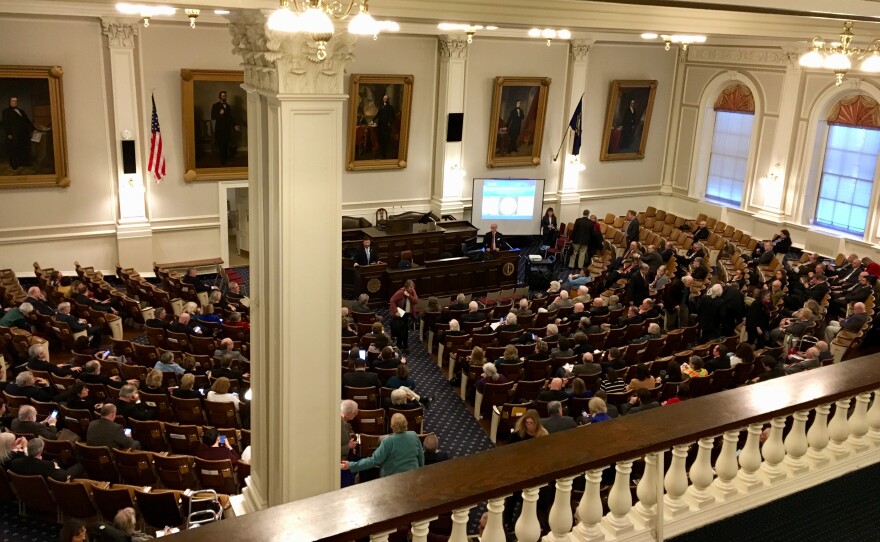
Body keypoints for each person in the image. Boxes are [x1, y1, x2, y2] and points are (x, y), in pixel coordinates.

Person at [342, 413, 424, 477]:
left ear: (392, 426)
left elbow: (374, 461)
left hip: (392, 479)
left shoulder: (387, 441)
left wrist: (351, 465)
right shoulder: (414, 435)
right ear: (406, 423)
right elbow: (421, 457)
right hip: (413, 475)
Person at [9, 437, 84, 481]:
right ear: (41, 451)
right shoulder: (47, 465)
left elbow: (31, 463)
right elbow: (64, 477)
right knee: (80, 466)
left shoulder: (15, 462)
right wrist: (56, 467)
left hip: (26, 491)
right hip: (45, 491)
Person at [2, 96, 36, 170]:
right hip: (13, 133)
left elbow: (27, 121)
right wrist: (8, 133)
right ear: (10, 102)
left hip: (23, 133)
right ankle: (14, 164)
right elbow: (5, 123)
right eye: (13, 101)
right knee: (14, 149)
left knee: (23, 148)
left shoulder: (21, 111)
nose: (14, 102)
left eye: (16, 101)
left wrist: (34, 128)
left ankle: (24, 163)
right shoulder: (6, 111)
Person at [211, 90, 240, 165]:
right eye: (223, 96)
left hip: (227, 129)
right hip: (219, 129)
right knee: (221, 144)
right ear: (220, 97)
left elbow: (230, 118)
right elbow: (212, 117)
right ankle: (222, 161)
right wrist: (219, 114)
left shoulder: (228, 106)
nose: (225, 97)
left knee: (226, 144)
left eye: (225, 96)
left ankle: (225, 159)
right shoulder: (215, 105)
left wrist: (235, 125)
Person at [389, 279, 418, 351]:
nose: (412, 289)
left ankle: (404, 345)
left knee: (405, 329)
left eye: (412, 287)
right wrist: (395, 311)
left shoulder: (412, 291)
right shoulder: (401, 292)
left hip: (407, 313)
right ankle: (401, 344)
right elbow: (392, 300)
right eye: (410, 287)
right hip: (400, 313)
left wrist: (408, 295)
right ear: (406, 287)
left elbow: (416, 301)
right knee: (401, 329)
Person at [376, 94, 396, 158]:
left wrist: (389, 123)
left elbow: (392, 116)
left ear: (388, 99)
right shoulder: (382, 106)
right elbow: (378, 114)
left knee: (385, 139)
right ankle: (381, 151)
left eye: (386, 98)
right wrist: (372, 120)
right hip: (380, 125)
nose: (384, 99)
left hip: (386, 126)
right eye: (384, 98)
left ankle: (384, 153)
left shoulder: (390, 107)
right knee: (380, 138)